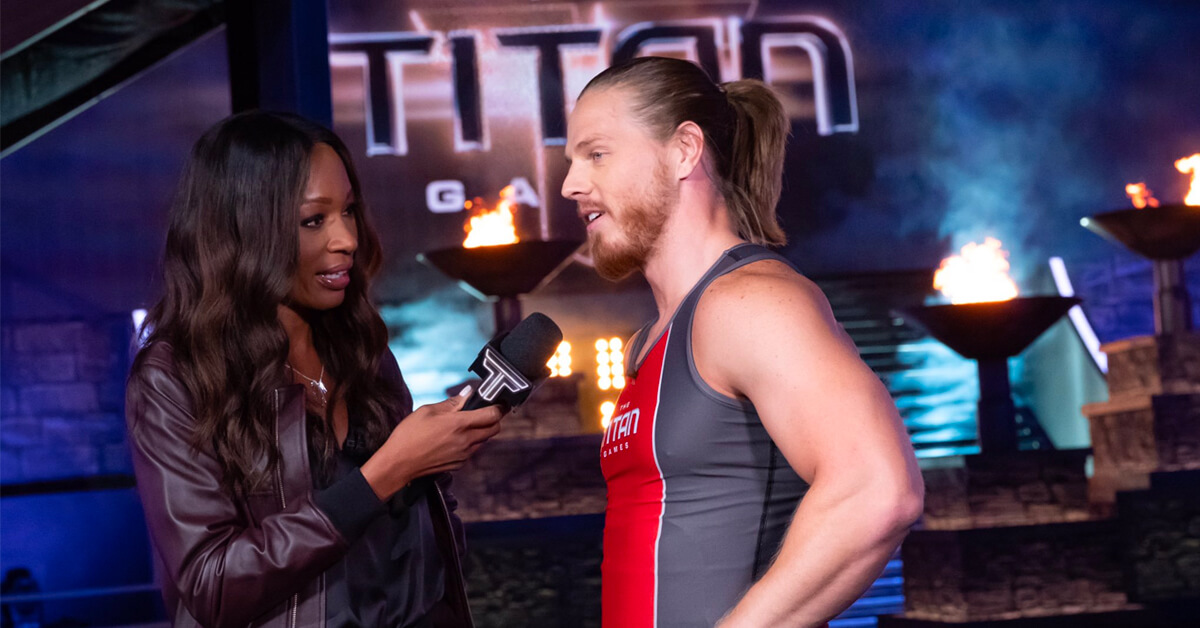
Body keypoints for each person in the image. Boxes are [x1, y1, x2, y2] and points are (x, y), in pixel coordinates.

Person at [562, 57, 925, 628]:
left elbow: (877, 491)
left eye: (597, 154)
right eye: (572, 161)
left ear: (684, 151)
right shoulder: (652, 340)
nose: (571, 184)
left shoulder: (749, 303)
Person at [126, 111, 502, 628]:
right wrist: (383, 474)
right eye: (313, 221)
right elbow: (213, 584)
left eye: (348, 211)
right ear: (243, 230)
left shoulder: (361, 347)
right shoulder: (176, 378)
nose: (346, 238)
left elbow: (421, 531)